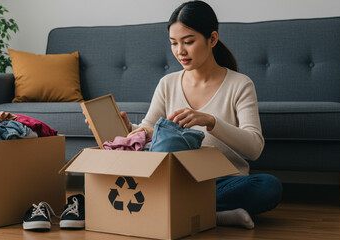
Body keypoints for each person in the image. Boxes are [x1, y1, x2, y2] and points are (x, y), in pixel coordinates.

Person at [81, 0, 282, 230]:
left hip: (222, 181)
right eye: (174, 43)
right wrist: (128, 128)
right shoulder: (168, 83)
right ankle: (212, 214)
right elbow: (149, 129)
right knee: (106, 179)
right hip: (176, 179)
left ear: (212, 39)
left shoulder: (240, 85)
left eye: (188, 42)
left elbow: (254, 148)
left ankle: (174, 209)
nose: (180, 51)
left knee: (269, 186)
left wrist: (211, 122)